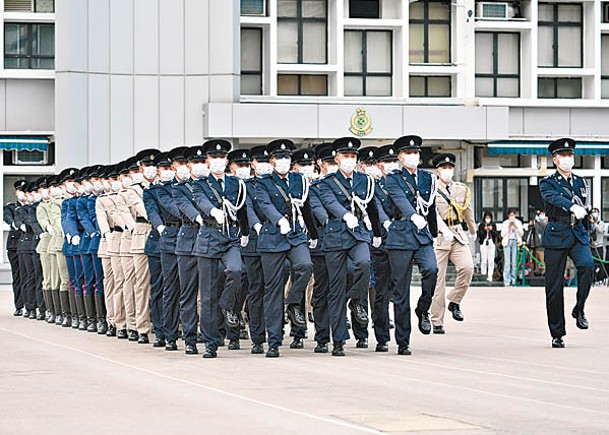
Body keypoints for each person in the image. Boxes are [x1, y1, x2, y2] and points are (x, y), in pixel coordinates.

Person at [318, 138, 381, 356]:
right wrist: (345, 215)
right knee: (335, 291)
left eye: (353, 157)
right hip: (336, 237)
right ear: (337, 159)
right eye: (346, 157)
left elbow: (372, 206)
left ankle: (355, 298)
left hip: (359, 235)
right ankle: (338, 340)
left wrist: (378, 234)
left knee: (364, 263)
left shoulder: (365, 181)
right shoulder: (326, 183)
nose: (349, 160)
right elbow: (330, 203)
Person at [255, 139, 317, 358]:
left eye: (287, 158)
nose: (284, 161)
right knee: (272, 290)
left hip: (295, 235)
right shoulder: (263, 183)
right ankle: (273, 341)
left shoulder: (299, 180)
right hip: (272, 238)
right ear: (272, 161)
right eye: (279, 158)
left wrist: (314, 234)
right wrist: (278, 219)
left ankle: (292, 301)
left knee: (305, 266)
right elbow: (264, 205)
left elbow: (306, 206)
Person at [385, 135, 438, 356]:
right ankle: (403, 340)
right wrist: (413, 216)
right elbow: (400, 200)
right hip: (401, 235)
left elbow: (432, 206)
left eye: (416, 153)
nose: (413, 156)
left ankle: (423, 309)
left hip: (422, 235)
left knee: (432, 270)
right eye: (408, 153)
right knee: (401, 291)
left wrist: (434, 232)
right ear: (400, 157)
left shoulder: (428, 178)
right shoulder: (393, 178)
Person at [539, 137, 594, 348]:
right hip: (557, 233)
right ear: (555, 159)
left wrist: (587, 233)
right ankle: (557, 332)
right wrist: (572, 207)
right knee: (554, 287)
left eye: (570, 155)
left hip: (578, 233)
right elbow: (553, 198)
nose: (567, 159)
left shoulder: (581, 182)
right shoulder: (548, 182)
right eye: (563, 155)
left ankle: (579, 308)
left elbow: (585, 208)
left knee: (587, 266)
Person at [430, 153, 476, 334]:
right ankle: (437, 321)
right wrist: (442, 229)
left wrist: (473, 231)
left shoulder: (461, 188)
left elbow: (467, 211)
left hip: (457, 233)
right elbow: (432, 213)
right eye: (444, 168)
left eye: (450, 168)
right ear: (438, 170)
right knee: (438, 281)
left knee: (467, 268)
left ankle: (455, 301)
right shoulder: (432, 188)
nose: (447, 171)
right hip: (440, 237)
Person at [370, 144, 400, 352]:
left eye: (394, 161)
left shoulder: (403, 184)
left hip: (401, 243)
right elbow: (377, 211)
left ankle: (403, 336)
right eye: (387, 162)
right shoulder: (374, 187)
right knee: (381, 292)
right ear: (380, 166)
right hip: (380, 242)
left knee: (399, 290)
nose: (392, 165)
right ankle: (382, 336)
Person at [4, 180, 27, 316]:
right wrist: (15, 224)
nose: (22, 194)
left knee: (29, 276)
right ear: (15, 193)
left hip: (29, 245)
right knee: (18, 276)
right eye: (20, 191)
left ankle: (30, 304)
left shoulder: (33, 207)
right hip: (15, 245)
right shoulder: (11, 207)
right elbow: (7, 217)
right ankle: (19, 306)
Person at [500, 209, 523, 286]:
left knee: (514, 262)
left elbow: (521, 233)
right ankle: (506, 281)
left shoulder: (518, 222)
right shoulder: (505, 223)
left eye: (513, 215)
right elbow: (502, 234)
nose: (512, 217)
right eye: (510, 215)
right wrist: (508, 228)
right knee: (507, 262)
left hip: (515, 242)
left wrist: (516, 227)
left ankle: (513, 280)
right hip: (507, 242)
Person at [478, 212, 498, 282]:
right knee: (484, 259)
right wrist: (484, 229)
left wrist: (491, 230)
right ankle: (483, 275)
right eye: (486, 218)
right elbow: (479, 235)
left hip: (491, 242)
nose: (488, 219)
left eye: (489, 218)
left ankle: (490, 276)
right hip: (484, 242)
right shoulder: (481, 225)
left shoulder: (493, 225)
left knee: (491, 260)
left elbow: (496, 234)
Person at [588, 208, 606, 283]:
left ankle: (600, 279)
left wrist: (594, 223)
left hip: (599, 246)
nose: (594, 213)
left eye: (596, 212)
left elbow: (600, 230)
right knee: (591, 264)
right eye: (593, 212)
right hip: (591, 246)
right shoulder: (589, 223)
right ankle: (592, 279)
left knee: (600, 264)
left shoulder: (601, 223)